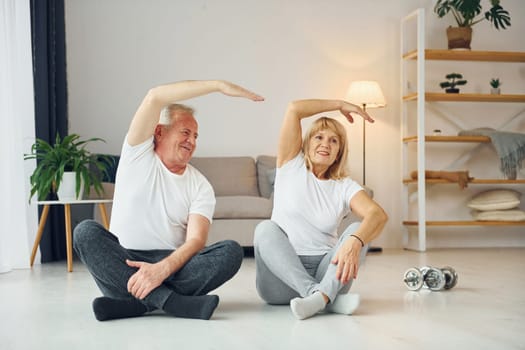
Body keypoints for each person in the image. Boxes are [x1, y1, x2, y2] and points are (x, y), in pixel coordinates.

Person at [74, 80, 264, 321]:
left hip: (171, 267)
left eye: (195, 136)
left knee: (231, 252)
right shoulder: (137, 154)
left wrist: (161, 270)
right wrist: (218, 86)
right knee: (85, 233)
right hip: (123, 265)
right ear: (159, 132)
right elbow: (154, 96)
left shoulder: (201, 185)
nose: (192, 141)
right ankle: (171, 302)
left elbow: (196, 240)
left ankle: (137, 305)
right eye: (185, 132)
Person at [254, 99, 388, 320]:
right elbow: (294, 108)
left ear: (339, 152)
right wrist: (340, 105)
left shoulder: (344, 186)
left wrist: (355, 241)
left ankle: (319, 297)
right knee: (265, 229)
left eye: (333, 141)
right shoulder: (290, 164)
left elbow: (378, 215)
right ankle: (322, 297)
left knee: (357, 227)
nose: (325, 144)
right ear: (306, 144)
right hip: (279, 281)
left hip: (328, 273)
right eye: (319, 137)